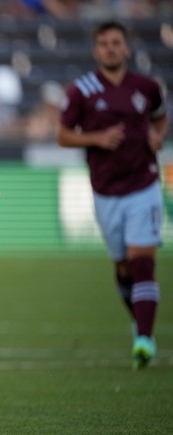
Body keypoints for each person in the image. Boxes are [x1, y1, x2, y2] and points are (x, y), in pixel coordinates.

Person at [57, 20, 168, 370]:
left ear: (127, 48)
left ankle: (144, 340)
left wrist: (158, 136)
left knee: (142, 262)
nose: (111, 48)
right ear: (96, 50)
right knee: (123, 267)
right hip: (105, 191)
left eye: (116, 42)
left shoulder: (147, 86)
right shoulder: (82, 90)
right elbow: (63, 135)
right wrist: (96, 139)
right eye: (104, 43)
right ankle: (140, 318)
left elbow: (161, 118)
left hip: (144, 186)